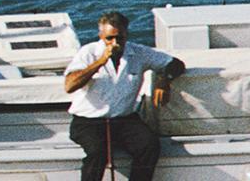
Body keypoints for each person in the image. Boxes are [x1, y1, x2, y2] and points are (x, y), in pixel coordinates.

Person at [63, 11, 186, 181]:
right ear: (101, 36)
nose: (115, 43)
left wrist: (164, 79)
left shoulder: (139, 52)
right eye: (109, 38)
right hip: (89, 121)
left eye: (119, 38)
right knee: (98, 152)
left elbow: (176, 64)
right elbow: (70, 85)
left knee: (149, 146)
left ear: (126, 34)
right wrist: (100, 61)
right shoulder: (88, 52)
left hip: (124, 119)